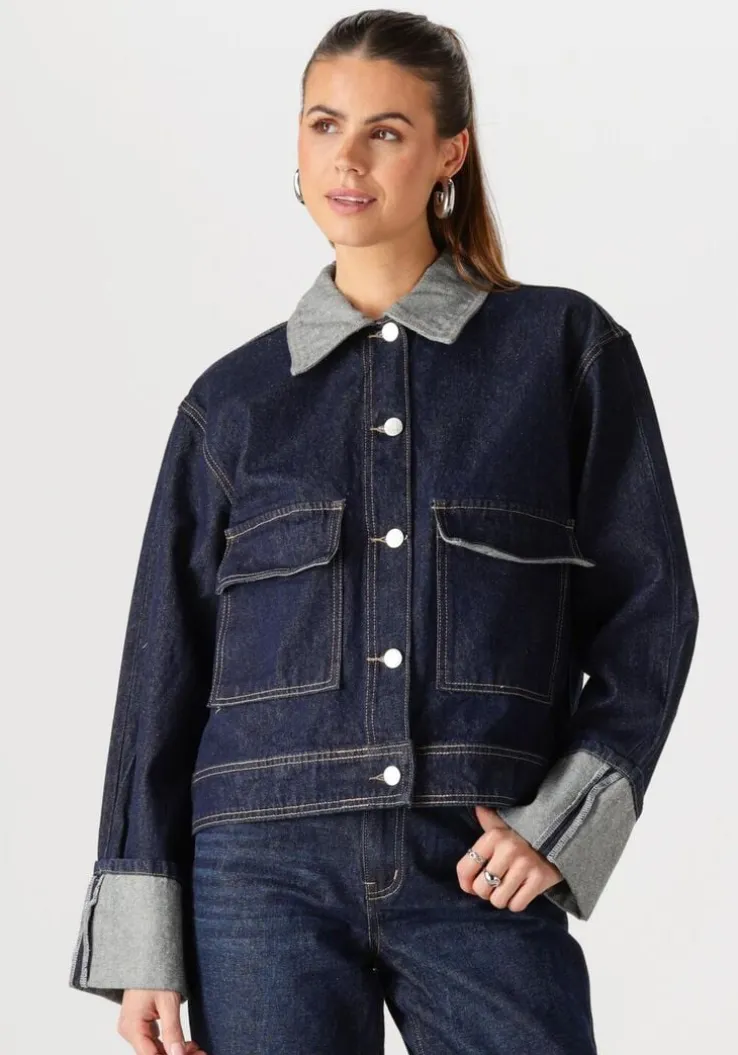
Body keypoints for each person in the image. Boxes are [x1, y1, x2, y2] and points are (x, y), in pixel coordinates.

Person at [69, 10, 699, 1055]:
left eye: (387, 131)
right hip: (258, 878)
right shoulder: (232, 402)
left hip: (478, 861)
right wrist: (145, 940)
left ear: (451, 152)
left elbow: (651, 605)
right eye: (325, 125)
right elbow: (161, 675)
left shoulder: (559, 350)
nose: (348, 159)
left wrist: (567, 821)